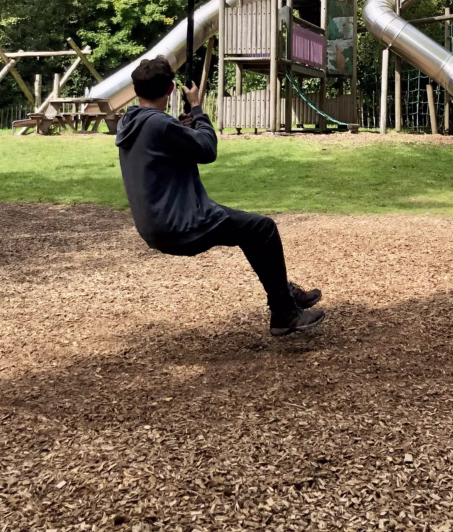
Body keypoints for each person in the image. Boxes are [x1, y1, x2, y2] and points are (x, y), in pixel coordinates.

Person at [115, 55, 325, 336]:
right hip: (181, 224)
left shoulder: (131, 123)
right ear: (171, 90)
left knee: (250, 232)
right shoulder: (159, 125)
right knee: (263, 229)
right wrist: (198, 110)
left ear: (136, 89)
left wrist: (185, 130)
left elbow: (168, 150)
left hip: (156, 224)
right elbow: (207, 150)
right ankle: (284, 314)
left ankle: (284, 295)